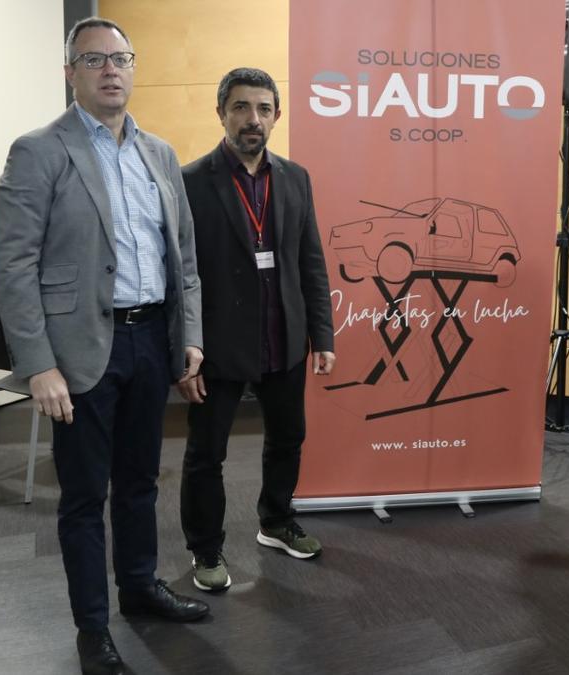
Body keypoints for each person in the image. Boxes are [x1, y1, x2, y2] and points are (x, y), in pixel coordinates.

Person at [0, 17, 209, 675]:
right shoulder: (39, 151)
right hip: (81, 350)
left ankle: (139, 586)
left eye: (120, 58)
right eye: (93, 59)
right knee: (85, 497)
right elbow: (13, 266)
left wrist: (189, 336)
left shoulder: (160, 154)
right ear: (71, 73)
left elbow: (186, 258)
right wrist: (38, 365)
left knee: (141, 479)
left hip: (150, 342)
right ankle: (93, 628)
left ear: (133, 68)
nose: (110, 70)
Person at [177, 67, 335, 593]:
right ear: (221, 113)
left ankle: (275, 520)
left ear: (276, 116)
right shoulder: (190, 182)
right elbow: (179, 274)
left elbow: (311, 261)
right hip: (217, 346)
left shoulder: (296, 178)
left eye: (263, 109)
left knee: (289, 437)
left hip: (284, 339)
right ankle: (205, 549)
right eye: (241, 107)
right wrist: (184, 348)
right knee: (207, 454)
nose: (253, 119)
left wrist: (323, 335)